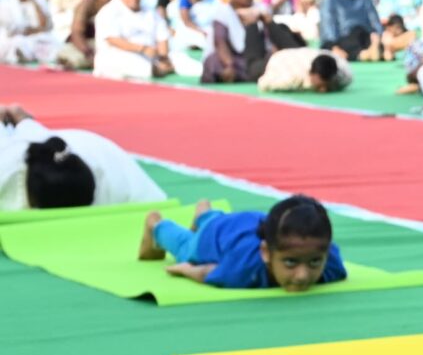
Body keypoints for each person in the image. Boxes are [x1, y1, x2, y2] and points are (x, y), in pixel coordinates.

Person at [137, 195, 346, 292]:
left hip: (246, 225)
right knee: (186, 247)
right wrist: (185, 270)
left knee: (213, 221)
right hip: (216, 235)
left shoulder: (331, 263)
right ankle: (156, 225)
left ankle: (204, 212)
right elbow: (207, 272)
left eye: (314, 263)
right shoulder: (245, 267)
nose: (302, 276)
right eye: (290, 263)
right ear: (265, 253)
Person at [0, 104, 161, 209]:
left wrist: (24, 121)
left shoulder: (118, 178)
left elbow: (158, 214)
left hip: (78, 143)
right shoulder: (6, 166)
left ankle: (22, 119)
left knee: (25, 124)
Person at [90, 0, 172, 81]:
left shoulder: (149, 11)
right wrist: (143, 49)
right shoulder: (109, 11)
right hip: (117, 56)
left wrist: (163, 57)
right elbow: (113, 40)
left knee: (179, 60)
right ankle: (156, 69)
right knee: (140, 65)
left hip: (151, 54)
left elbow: (162, 35)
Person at [318, 0, 384, 58]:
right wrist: (333, 47)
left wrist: (377, 36)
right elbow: (328, 24)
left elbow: (375, 22)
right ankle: (365, 54)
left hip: (366, 37)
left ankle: (372, 50)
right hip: (344, 40)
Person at [2, 0, 60, 67]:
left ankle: (26, 55)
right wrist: (29, 30)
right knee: (18, 43)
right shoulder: (5, 2)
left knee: (53, 43)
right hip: (14, 38)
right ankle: (21, 54)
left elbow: (44, 25)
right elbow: (10, 29)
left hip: (37, 37)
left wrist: (33, 2)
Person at [256, 46, 353, 95]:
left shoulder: (344, 75)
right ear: (310, 73)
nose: (323, 91)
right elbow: (262, 83)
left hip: (302, 52)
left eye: (326, 86)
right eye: (319, 86)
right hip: (278, 59)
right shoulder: (291, 78)